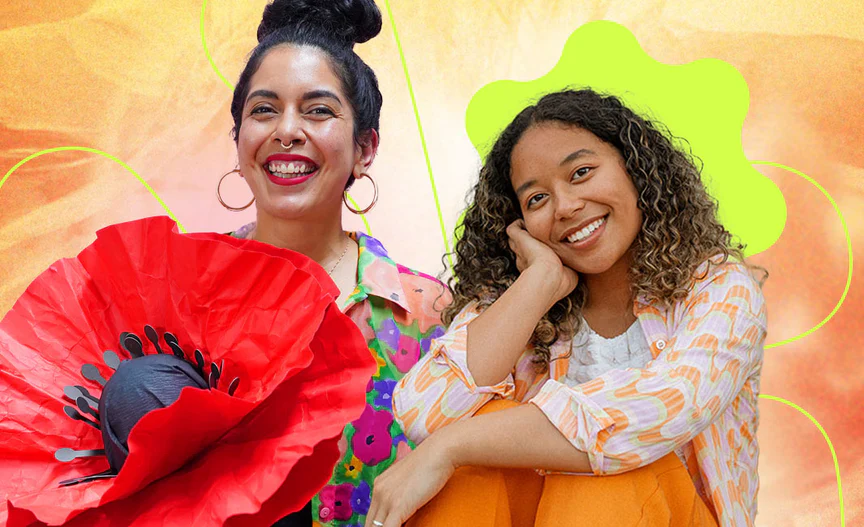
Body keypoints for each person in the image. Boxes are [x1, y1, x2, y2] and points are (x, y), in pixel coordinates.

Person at [368, 89, 767, 527]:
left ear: (636, 170)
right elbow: (422, 413)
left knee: (605, 467)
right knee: (474, 463)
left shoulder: (720, 287)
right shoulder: (520, 299)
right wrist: (539, 283)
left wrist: (450, 448)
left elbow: (651, 414)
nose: (566, 207)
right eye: (536, 199)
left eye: (581, 172)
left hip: (671, 511)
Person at [221, 0, 449, 525]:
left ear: (365, 147)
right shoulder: (180, 289)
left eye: (318, 109)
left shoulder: (427, 314)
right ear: (239, 140)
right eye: (263, 109)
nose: (287, 130)